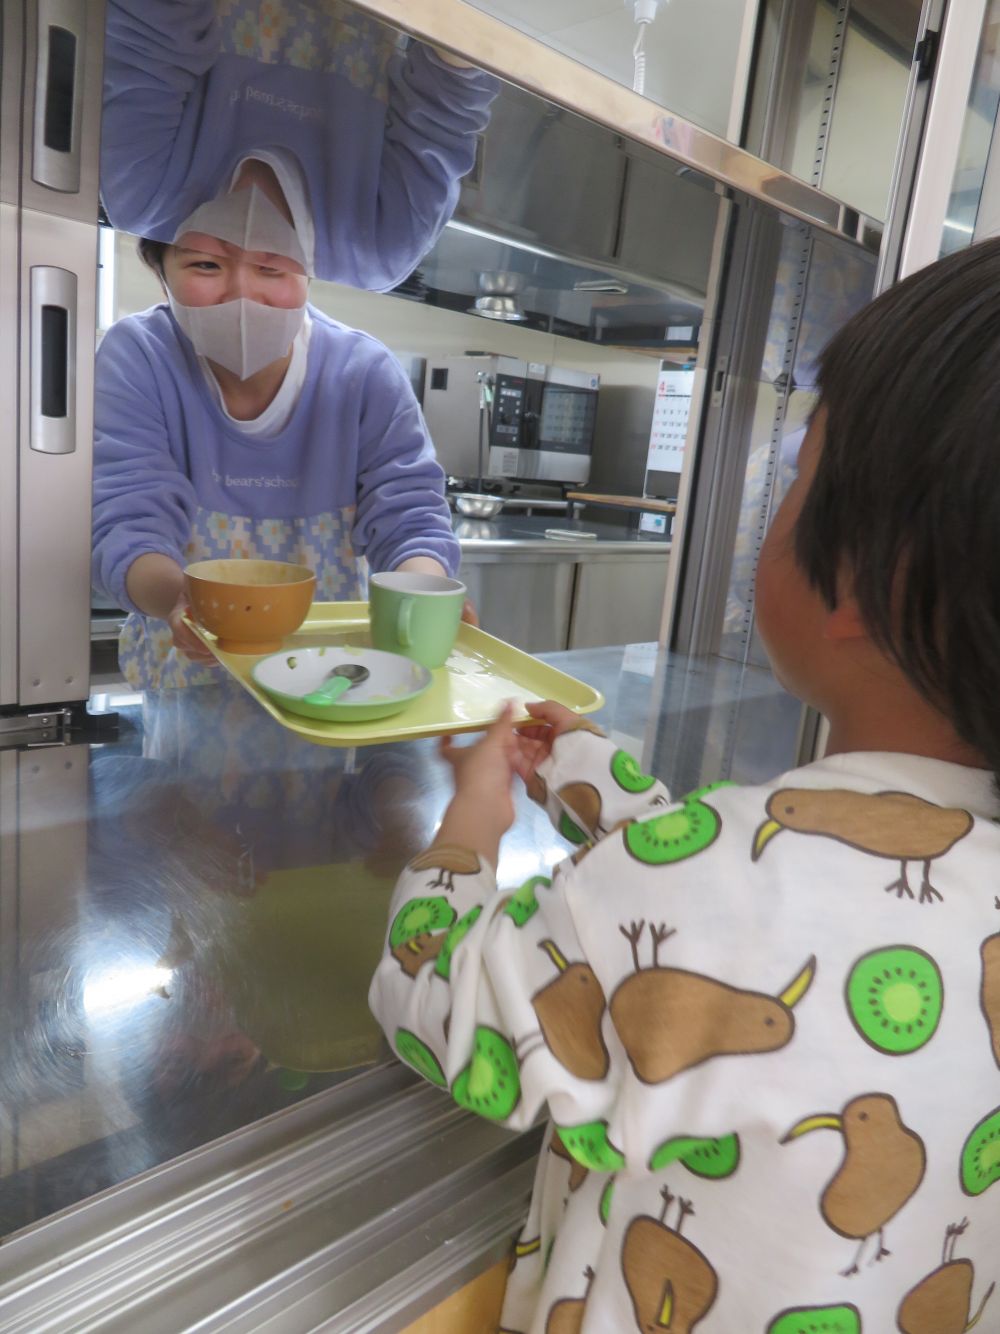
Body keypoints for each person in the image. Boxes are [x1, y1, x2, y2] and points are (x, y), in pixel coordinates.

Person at [369, 238, 1000, 1329]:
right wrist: (579, 773)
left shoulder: (722, 884)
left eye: (799, 470)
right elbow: (747, 903)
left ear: (864, 579)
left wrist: (473, 810)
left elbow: (444, 1009)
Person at [92, 160, 462, 690]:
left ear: (310, 269)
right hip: (189, 676)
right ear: (160, 265)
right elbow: (125, 518)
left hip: (331, 681)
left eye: (272, 268)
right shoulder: (140, 358)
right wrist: (179, 601)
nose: (243, 294)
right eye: (205, 264)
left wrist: (423, 603)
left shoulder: (364, 374)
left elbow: (409, 515)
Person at [101, 0, 498, 290]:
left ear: (163, 252)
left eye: (207, 266)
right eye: (267, 291)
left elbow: (152, 26)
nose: (245, 258)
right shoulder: (378, 248)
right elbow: (450, 98)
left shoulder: (143, 189)